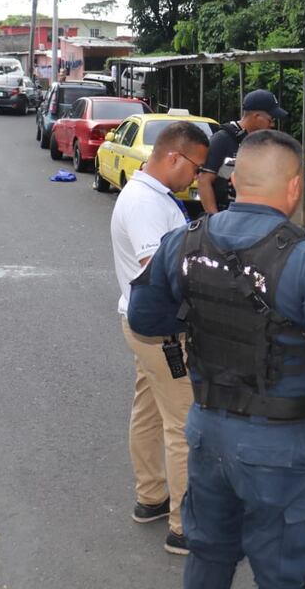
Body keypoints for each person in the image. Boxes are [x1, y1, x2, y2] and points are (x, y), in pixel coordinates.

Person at [127, 129, 305, 588]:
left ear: (234, 180)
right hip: (281, 446)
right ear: (295, 185)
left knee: (207, 555)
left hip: (207, 434)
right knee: (284, 573)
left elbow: (145, 317)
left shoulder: (184, 240)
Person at [109, 120, 211, 554]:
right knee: (184, 423)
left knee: (149, 411)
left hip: (141, 326)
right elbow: (163, 269)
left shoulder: (151, 196)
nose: (198, 177)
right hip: (162, 333)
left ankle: (151, 497)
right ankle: (183, 526)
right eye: (197, 167)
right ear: (174, 157)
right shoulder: (147, 206)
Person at [197, 89, 287, 214]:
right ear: (257, 117)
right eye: (270, 120)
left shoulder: (262, 142)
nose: (272, 125)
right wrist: (215, 219)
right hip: (226, 215)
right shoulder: (222, 139)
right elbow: (204, 180)